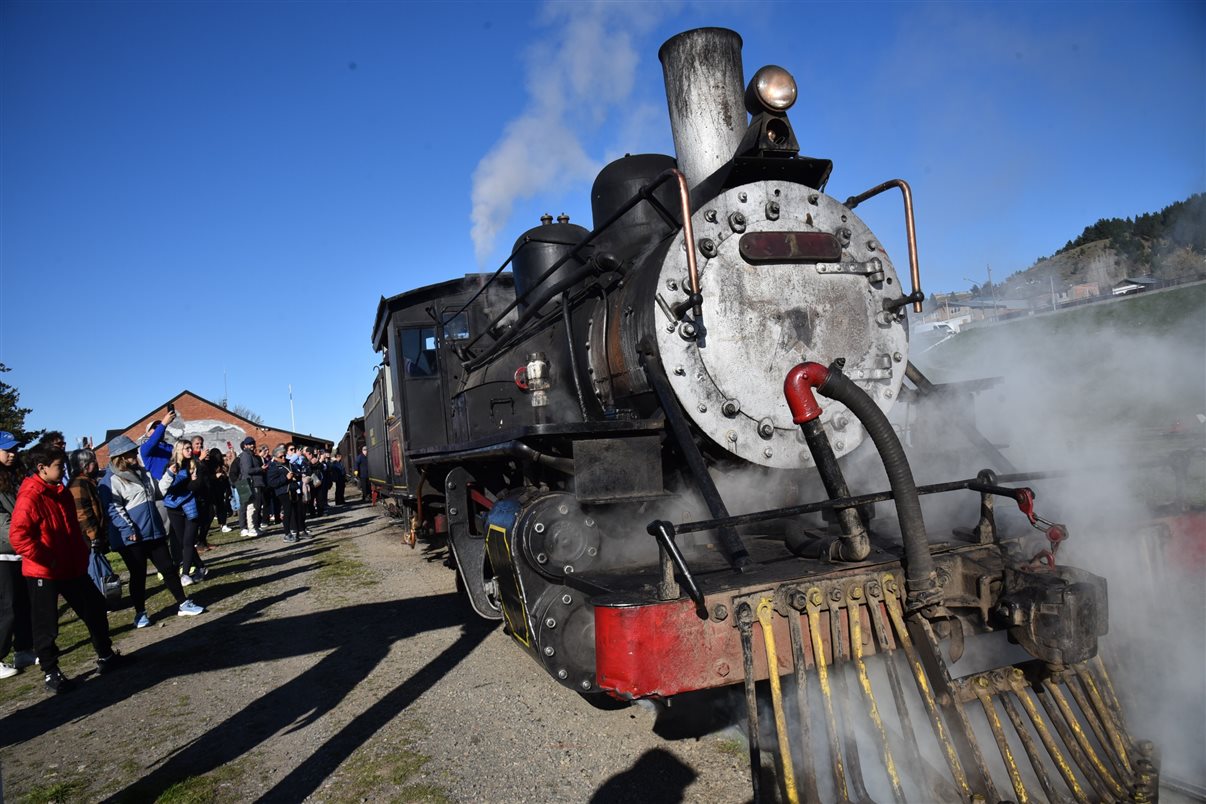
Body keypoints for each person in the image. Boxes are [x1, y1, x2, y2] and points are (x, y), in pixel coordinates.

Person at [9, 443, 128, 693]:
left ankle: (106, 656)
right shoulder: (30, 495)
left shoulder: (60, 491)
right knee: (46, 624)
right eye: (58, 466)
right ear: (41, 468)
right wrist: (47, 558)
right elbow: (18, 536)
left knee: (94, 607)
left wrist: (81, 550)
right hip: (44, 572)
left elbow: (71, 526)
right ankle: (51, 673)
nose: (63, 469)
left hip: (72, 566)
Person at [104, 436, 204, 628]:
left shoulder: (143, 473)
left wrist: (168, 475)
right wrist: (128, 528)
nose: (135, 454)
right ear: (121, 456)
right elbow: (113, 508)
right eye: (131, 452)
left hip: (154, 531)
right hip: (132, 537)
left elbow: (159, 492)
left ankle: (183, 603)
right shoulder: (111, 480)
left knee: (168, 568)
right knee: (138, 574)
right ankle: (140, 613)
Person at [0, 432, 35, 678]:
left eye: (15, 449)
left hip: (22, 551)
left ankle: (23, 648)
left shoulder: (17, 476)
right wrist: (23, 540)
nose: (12, 454)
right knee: (8, 606)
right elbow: (2, 522)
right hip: (4, 552)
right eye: (7, 450)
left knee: (24, 604)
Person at [159, 439, 208, 586]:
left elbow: (196, 486)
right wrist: (186, 480)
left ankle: (185, 574)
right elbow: (168, 487)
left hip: (191, 506)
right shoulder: (171, 466)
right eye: (186, 448)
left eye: (189, 448)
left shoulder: (195, 465)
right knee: (182, 541)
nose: (189, 450)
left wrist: (186, 481)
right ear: (179, 450)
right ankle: (201, 567)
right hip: (174, 507)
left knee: (188, 541)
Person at [266, 445, 301, 543]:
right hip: (283, 492)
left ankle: (296, 531)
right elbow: (272, 482)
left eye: (284, 456)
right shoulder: (273, 467)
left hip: (293, 490)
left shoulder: (289, 464)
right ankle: (287, 534)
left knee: (296, 511)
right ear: (275, 457)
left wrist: (296, 476)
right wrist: (286, 478)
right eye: (281, 457)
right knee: (288, 512)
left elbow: (298, 473)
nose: (283, 458)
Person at [139, 410, 178, 482]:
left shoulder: (170, 447)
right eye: (154, 428)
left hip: (175, 483)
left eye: (158, 427)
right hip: (159, 486)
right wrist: (163, 424)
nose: (158, 429)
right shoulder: (145, 447)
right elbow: (154, 440)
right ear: (147, 433)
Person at [237, 437, 264, 536]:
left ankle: (255, 527)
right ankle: (251, 528)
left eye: (253, 443)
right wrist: (260, 469)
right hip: (250, 483)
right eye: (249, 444)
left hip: (255, 483)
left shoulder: (252, 455)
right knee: (251, 507)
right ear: (245, 445)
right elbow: (248, 470)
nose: (252, 445)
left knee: (256, 507)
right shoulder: (246, 455)